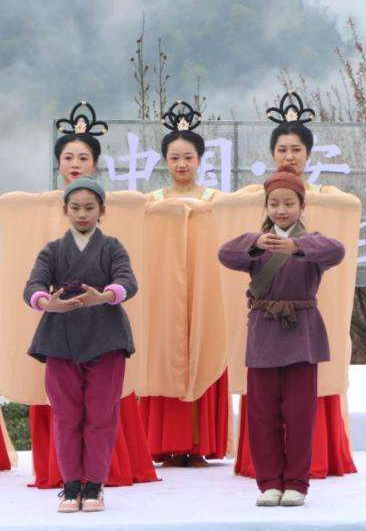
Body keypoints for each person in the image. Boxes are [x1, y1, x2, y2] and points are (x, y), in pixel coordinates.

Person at [218, 165, 345, 507]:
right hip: (263, 335)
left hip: (302, 335)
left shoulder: (312, 244)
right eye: (274, 203)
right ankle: (269, 483)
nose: (281, 210)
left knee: (300, 414)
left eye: (289, 203)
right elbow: (225, 254)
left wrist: (296, 246)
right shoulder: (259, 244)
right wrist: (255, 242)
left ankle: (297, 484)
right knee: (262, 415)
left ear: (302, 206)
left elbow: (337, 251)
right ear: (266, 206)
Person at [24, 177, 140, 512]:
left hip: (106, 339)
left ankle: (95, 487)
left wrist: (105, 296)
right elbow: (33, 284)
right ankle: (71, 485)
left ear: (102, 210)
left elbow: (128, 281)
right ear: (65, 210)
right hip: (59, 340)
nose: (82, 214)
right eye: (75, 208)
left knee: (101, 415)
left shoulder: (112, 247)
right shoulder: (52, 250)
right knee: (66, 416)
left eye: (90, 208)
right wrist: (47, 302)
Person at [139, 101, 228, 467]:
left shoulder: (216, 201)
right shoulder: (151, 202)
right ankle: (164, 443)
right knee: (166, 355)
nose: (181, 164)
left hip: (205, 292)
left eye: (188, 157)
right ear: (165, 160)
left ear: (200, 160)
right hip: (164, 293)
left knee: (204, 351)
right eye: (174, 157)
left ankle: (199, 444)